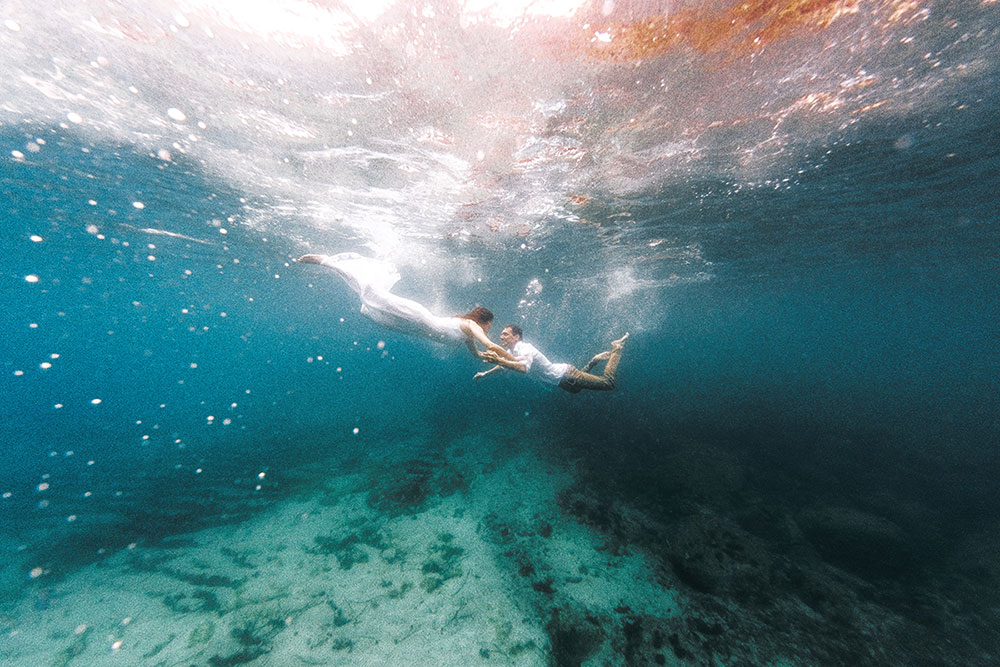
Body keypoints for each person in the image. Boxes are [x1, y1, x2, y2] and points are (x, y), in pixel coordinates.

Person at [295, 252, 516, 361]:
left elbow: (478, 352)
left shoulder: (469, 336)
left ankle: (367, 307)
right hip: (418, 318)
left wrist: (490, 360)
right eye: (490, 325)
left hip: (413, 329)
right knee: (373, 291)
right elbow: (488, 343)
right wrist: (513, 359)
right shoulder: (470, 326)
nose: (490, 328)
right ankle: (326, 261)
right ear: (483, 321)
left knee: (370, 311)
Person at [475, 325, 628, 393]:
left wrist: (499, 360)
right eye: (502, 334)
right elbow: (503, 366)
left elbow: (523, 368)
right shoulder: (511, 351)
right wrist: (485, 374)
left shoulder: (525, 348)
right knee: (577, 389)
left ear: (516, 337)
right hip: (563, 381)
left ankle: (617, 348)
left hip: (567, 375)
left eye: (505, 334)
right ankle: (594, 360)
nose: (501, 336)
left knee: (608, 384)